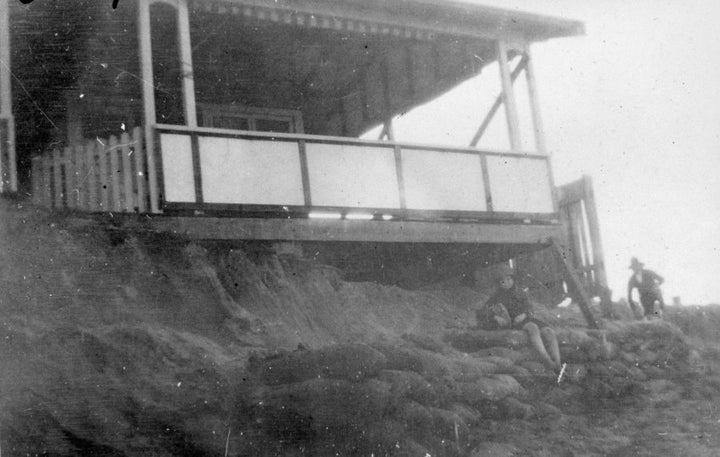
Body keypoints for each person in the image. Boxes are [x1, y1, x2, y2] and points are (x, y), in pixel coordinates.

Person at [483, 264, 561, 370]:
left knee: (549, 331)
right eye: (502, 280)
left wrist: (524, 315)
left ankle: (558, 363)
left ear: (513, 279)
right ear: (498, 283)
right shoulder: (496, 297)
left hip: (524, 318)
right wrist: (496, 318)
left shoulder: (520, 292)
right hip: (511, 323)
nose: (506, 282)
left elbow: (529, 308)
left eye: (509, 279)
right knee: (532, 327)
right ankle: (546, 359)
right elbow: (485, 312)